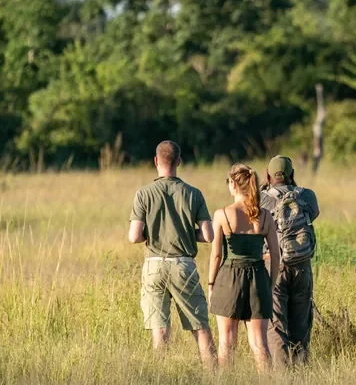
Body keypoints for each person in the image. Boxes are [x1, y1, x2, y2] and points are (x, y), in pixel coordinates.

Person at [128, 140, 217, 369]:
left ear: (156, 161)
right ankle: (214, 376)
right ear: (179, 161)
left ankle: (161, 376)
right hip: (183, 264)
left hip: (154, 264)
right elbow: (208, 235)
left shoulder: (143, 194)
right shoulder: (194, 194)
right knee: (199, 325)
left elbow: (134, 236)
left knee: (160, 327)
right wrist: (184, 232)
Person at [207, 163, 280, 372]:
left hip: (229, 277)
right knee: (259, 342)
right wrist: (270, 282)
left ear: (233, 184)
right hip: (258, 276)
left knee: (227, 342)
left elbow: (216, 254)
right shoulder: (265, 216)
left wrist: (211, 284)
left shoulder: (222, 214)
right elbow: (275, 254)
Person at [260, 155, 320, 367]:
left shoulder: (262, 198)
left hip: (273, 264)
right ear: (292, 174)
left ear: (268, 176)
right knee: (301, 322)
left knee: (276, 324)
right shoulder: (307, 196)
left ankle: (282, 376)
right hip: (302, 263)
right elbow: (313, 215)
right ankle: (301, 369)